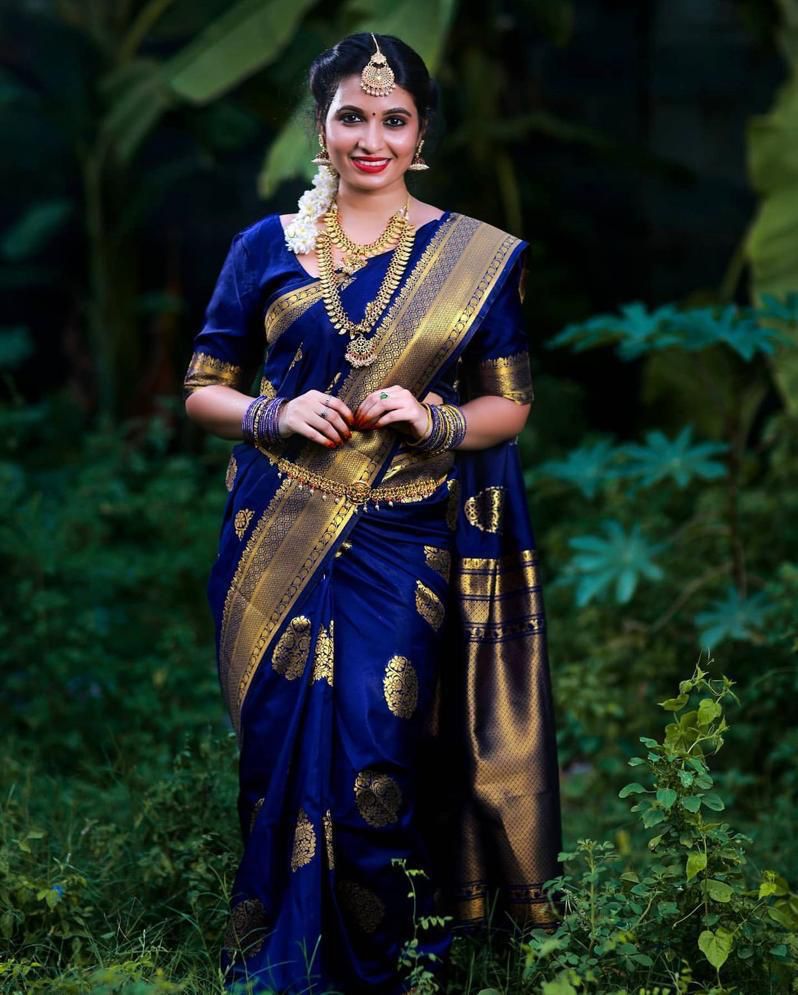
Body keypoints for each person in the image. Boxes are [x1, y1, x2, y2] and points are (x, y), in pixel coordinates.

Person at [184, 31, 563, 995]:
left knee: (374, 754)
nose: (371, 138)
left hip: (405, 536)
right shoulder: (263, 249)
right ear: (323, 128)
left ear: (420, 132)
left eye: (393, 120)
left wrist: (436, 417)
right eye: (352, 117)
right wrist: (271, 412)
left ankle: (395, 966)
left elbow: (509, 405)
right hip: (279, 530)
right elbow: (204, 387)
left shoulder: (472, 257)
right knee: (276, 759)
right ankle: (278, 958)